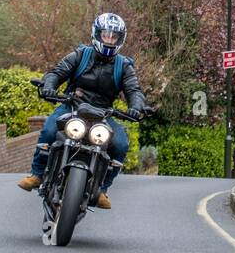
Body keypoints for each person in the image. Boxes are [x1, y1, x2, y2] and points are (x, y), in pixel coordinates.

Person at [17, 12, 145, 209]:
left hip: (103, 114)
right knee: (50, 130)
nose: (109, 39)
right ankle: (37, 174)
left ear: (121, 39)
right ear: (97, 34)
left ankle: (102, 188)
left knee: (120, 144)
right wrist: (49, 86)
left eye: (114, 36)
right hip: (72, 106)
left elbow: (134, 90)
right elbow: (57, 72)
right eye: (106, 35)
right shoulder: (80, 55)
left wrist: (136, 107)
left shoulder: (124, 66)